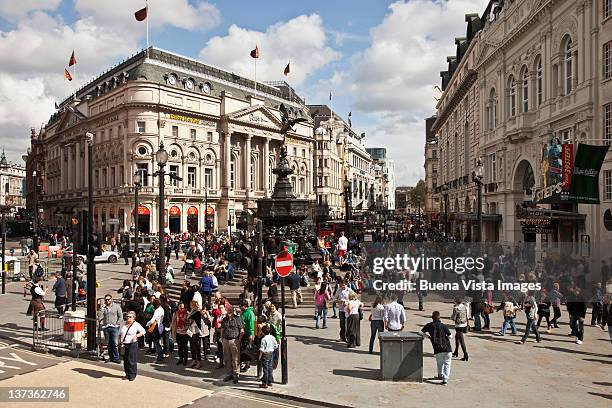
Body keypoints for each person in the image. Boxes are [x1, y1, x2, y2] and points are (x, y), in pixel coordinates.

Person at [421, 311, 453, 385]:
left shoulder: (429, 325)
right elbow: (450, 336)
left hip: (437, 348)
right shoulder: (443, 326)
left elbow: (422, 333)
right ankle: (445, 379)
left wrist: (429, 337)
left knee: (439, 363)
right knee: (447, 363)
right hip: (447, 348)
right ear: (439, 317)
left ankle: (440, 375)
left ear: (432, 318)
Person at [120, 311, 146, 381]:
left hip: (132, 344)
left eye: (130, 317)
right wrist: (119, 341)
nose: (128, 318)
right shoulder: (123, 323)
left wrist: (136, 336)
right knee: (125, 360)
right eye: (127, 316)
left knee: (131, 359)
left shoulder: (136, 324)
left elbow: (143, 331)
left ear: (134, 318)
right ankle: (127, 373)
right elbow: (120, 333)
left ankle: (132, 374)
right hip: (124, 343)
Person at [221, 305, 244, 384]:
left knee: (235, 358)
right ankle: (229, 373)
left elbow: (241, 330)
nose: (229, 312)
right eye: (228, 310)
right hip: (226, 340)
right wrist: (222, 339)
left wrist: (239, 340)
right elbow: (222, 329)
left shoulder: (237, 318)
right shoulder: (225, 319)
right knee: (227, 358)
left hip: (234, 340)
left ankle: (236, 374)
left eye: (230, 310)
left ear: (233, 310)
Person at [98, 294, 124, 363]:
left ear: (111, 299)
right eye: (106, 299)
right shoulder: (104, 308)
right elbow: (100, 316)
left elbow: (120, 316)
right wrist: (102, 309)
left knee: (114, 343)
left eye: (108, 299)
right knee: (108, 343)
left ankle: (116, 357)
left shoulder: (116, 306)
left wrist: (118, 323)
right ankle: (111, 357)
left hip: (114, 327)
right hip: (106, 327)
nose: (107, 301)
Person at [258, 324, 278, 389]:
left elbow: (262, 349)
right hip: (271, 353)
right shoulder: (272, 337)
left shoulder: (263, 339)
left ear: (263, 332)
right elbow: (276, 345)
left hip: (265, 354)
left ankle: (265, 383)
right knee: (270, 368)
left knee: (265, 369)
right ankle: (270, 381)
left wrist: (259, 357)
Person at [146, 298, 165, 363]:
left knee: (156, 343)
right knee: (157, 343)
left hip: (156, 327)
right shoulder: (161, 309)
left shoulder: (157, 311)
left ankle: (159, 357)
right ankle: (160, 355)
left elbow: (152, 320)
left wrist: (147, 324)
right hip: (160, 326)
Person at [240, 300, 256, 372]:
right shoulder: (243, 312)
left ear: (245, 306)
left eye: (241, 306)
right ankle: (244, 362)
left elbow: (251, 324)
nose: (240, 307)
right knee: (243, 349)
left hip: (247, 333)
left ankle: (247, 364)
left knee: (246, 350)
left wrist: (251, 334)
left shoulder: (250, 313)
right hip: (243, 333)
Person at [187, 300, 204, 369]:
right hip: (191, 331)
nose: (190, 306)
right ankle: (194, 360)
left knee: (196, 347)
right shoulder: (192, 311)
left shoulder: (196, 312)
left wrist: (186, 321)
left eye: (191, 304)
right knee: (192, 346)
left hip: (195, 331)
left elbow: (190, 321)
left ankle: (199, 362)